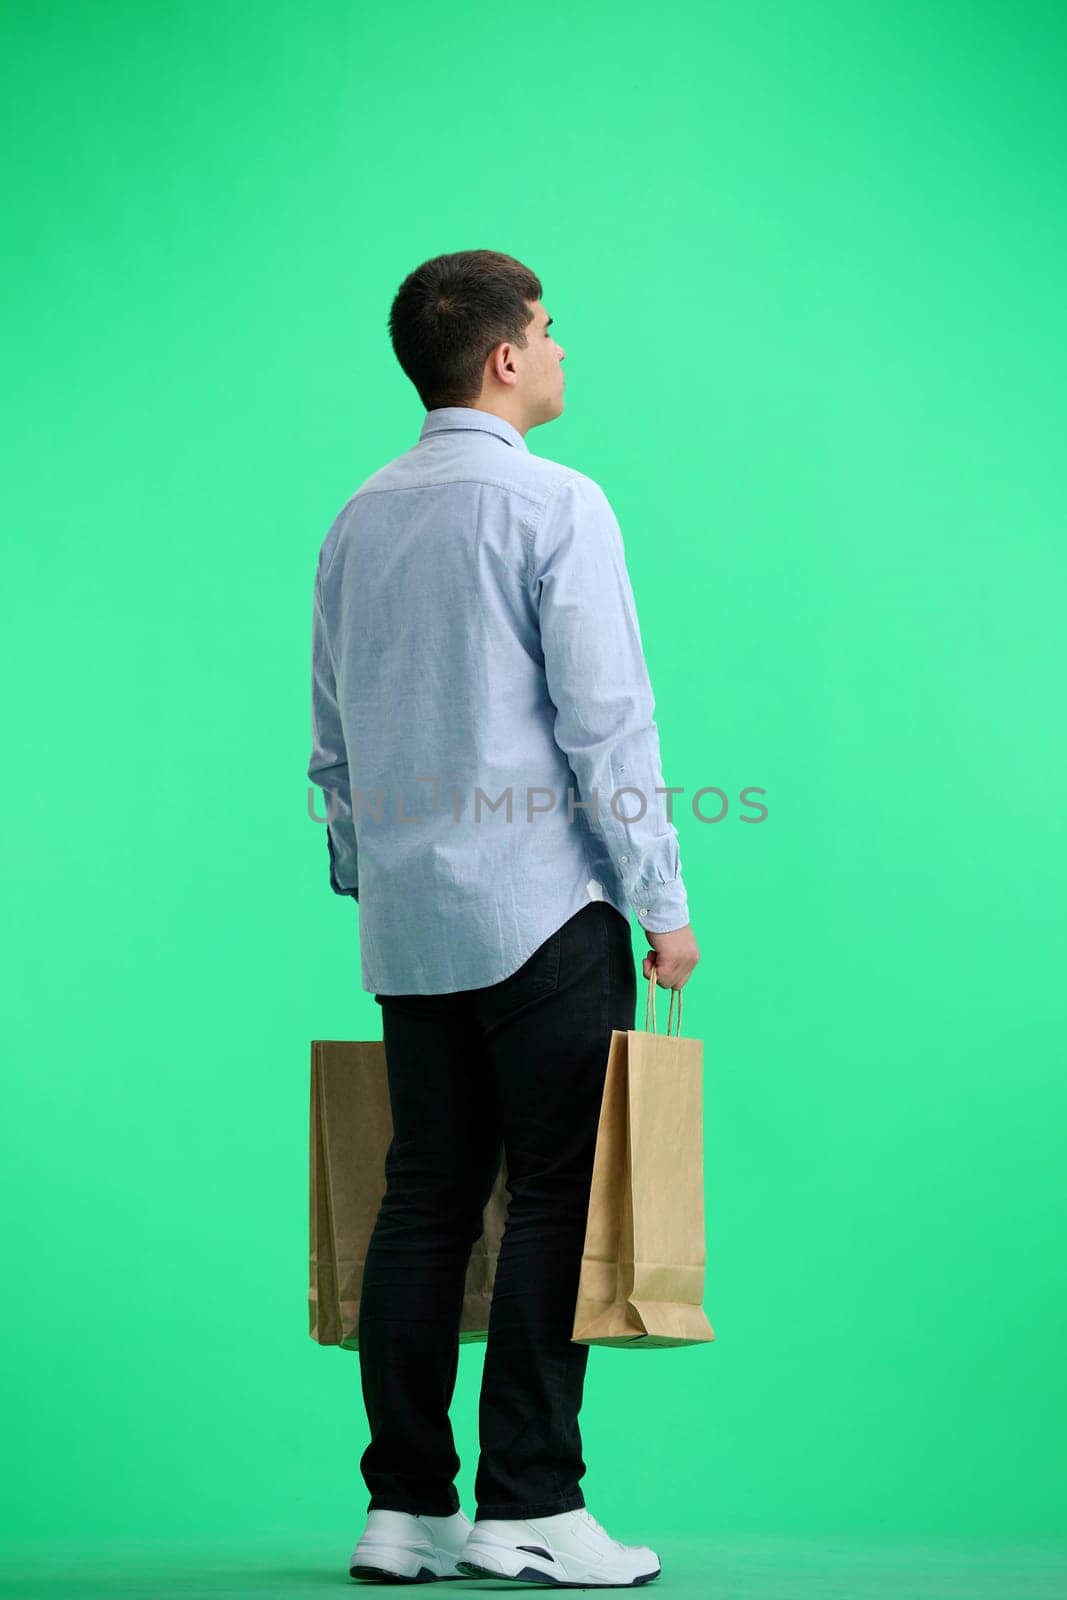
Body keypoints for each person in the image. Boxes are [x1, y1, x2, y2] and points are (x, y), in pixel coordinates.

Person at [307, 249, 700, 1587]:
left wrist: (383, 878)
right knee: (551, 1202)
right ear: (506, 356)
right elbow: (608, 724)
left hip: (412, 931)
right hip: (545, 915)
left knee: (422, 1200)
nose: (562, 348)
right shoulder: (556, 505)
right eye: (550, 328)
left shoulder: (358, 517)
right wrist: (663, 902)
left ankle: (403, 1509)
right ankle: (532, 1500)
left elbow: (332, 747)